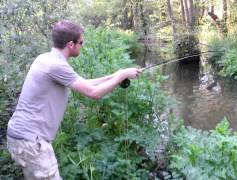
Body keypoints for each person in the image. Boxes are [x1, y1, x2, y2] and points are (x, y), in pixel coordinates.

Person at [6, 20, 142, 180]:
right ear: (71, 44)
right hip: (32, 142)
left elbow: (85, 84)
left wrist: (117, 75)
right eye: (81, 42)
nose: (82, 45)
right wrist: (121, 76)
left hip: (21, 137)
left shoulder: (45, 59)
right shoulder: (56, 66)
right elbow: (94, 93)